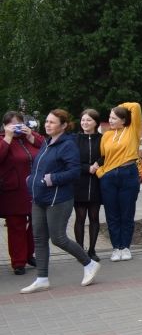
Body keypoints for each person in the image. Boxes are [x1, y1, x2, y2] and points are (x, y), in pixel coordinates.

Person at [20, 110, 100, 293]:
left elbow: (73, 172)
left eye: (52, 122)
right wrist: (30, 179)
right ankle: (42, 278)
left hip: (58, 199)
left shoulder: (68, 145)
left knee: (58, 238)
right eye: (47, 121)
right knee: (39, 238)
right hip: (39, 197)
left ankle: (89, 264)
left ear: (63, 125)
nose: (47, 125)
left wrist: (50, 179)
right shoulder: (48, 143)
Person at [97, 102, 142, 262]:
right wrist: (100, 173)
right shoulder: (107, 135)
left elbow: (135, 107)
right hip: (109, 177)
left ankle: (126, 247)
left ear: (124, 120)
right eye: (109, 117)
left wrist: (119, 106)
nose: (110, 120)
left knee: (127, 213)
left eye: (114, 117)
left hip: (128, 174)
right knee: (112, 214)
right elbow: (103, 158)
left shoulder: (132, 130)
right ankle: (116, 247)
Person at [1, 111, 42, 275]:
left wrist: (31, 134)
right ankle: (18, 262)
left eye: (19, 124)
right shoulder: (3, 139)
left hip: (35, 188)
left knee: (36, 224)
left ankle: (28, 254)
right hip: (13, 191)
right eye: (12, 124)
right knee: (16, 226)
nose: (16, 128)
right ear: (5, 126)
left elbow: (45, 146)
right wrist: (8, 138)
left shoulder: (29, 137)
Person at [73, 109, 104, 262]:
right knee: (80, 218)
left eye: (89, 120)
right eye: (83, 120)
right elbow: (71, 161)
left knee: (94, 217)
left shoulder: (103, 138)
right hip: (79, 183)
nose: (85, 123)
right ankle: (80, 251)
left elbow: (107, 155)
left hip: (97, 184)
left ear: (96, 123)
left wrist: (98, 163)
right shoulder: (74, 139)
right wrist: (87, 168)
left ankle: (92, 250)